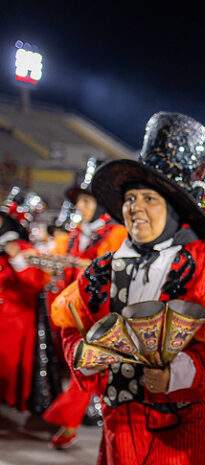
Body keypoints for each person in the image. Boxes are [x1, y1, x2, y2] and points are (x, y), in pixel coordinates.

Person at [50, 112, 205, 465]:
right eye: (130, 198)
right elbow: (70, 325)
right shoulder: (103, 268)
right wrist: (81, 353)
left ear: (177, 208)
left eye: (149, 198)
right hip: (119, 421)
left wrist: (180, 374)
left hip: (187, 424)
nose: (135, 208)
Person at [44, 157, 128, 449]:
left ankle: (69, 421)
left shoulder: (116, 233)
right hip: (77, 308)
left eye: (85, 201)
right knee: (84, 366)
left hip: (104, 311)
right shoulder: (78, 233)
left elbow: (116, 269)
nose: (79, 207)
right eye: (79, 201)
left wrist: (80, 264)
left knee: (91, 366)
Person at [0, 187, 50, 411]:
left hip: (16, 319)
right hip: (7, 318)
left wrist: (17, 259)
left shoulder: (24, 249)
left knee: (9, 368)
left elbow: (36, 282)